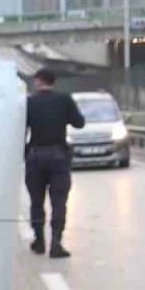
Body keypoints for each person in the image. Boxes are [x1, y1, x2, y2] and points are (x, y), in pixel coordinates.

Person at [25, 69, 85, 259]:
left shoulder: (29, 102)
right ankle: (56, 243)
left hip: (36, 156)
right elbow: (79, 123)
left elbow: (20, 129)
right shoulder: (64, 99)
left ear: (38, 81)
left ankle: (39, 240)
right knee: (59, 201)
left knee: (36, 201)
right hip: (59, 156)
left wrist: (23, 153)